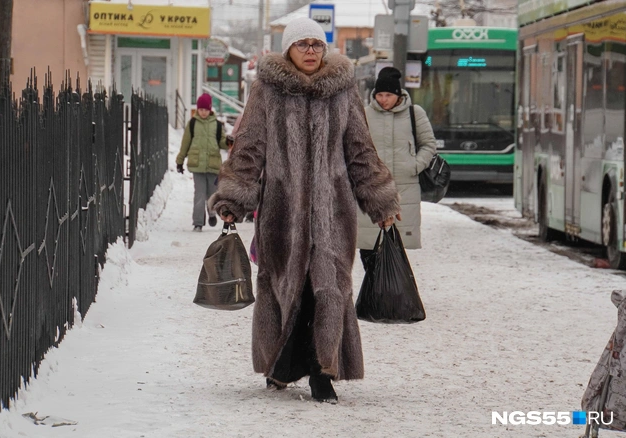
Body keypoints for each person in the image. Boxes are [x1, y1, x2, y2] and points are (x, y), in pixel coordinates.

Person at [208, 17, 400, 403]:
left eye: (317, 44)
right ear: (288, 49)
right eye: (303, 44)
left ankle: (322, 372)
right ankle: (280, 364)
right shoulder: (267, 92)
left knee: (328, 289)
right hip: (282, 215)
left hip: (334, 215)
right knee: (284, 287)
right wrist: (233, 200)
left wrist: (379, 201)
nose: (311, 51)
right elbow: (248, 149)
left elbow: (361, 151)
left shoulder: (342, 92)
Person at [357, 67, 437, 269]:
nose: (384, 99)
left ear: (398, 95)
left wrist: (414, 165)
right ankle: (373, 294)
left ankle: (391, 297)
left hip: (405, 188)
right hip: (372, 188)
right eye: (380, 95)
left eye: (389, 95)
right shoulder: (364, 115)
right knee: (369, 248)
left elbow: (429, 144)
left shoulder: (414, 113)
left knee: (396, 249)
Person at [176, 93, 228, 232]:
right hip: (197, 165)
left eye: (205, 110)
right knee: (199, 194)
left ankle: (211, 213)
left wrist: (228, 142)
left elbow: (222, 143)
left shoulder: (217, 125)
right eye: (200, 110)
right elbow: (185, 144)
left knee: (212, 193)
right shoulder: (192, 124)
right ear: (197, 110)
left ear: (210, 109)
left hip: (213, 165)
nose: (203, 112)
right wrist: (179, 161)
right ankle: (198, 222)